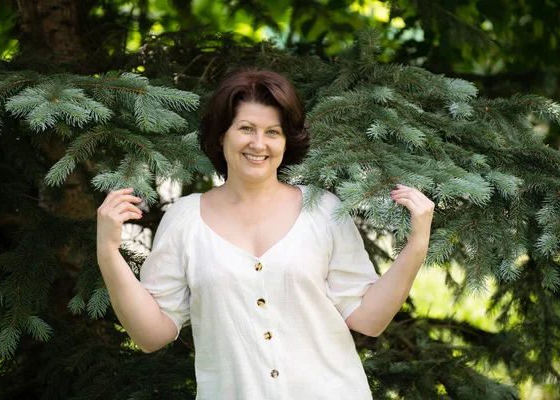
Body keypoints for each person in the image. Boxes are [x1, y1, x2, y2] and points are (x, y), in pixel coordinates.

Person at [96, 68, 435, 399]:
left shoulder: (323, 210)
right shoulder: (185, 220)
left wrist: (417, 245)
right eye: (246, 128)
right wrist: (108, 253)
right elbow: (151, 335)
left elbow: (368, 319)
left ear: (287, 141)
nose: (259, 144)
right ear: (220, 135)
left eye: (273, 132)